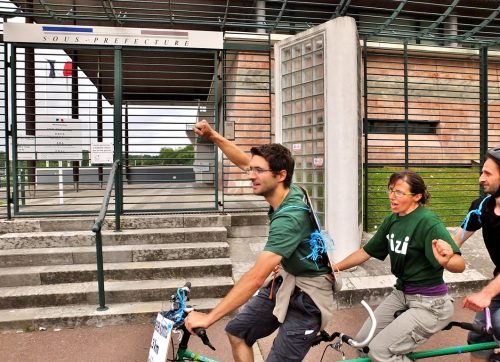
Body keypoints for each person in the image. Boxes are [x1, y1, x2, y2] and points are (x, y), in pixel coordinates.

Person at [184, 120, 335, 362]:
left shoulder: (290, 218)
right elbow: (243, 161)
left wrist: (208, 318)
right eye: (251, 170)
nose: (250, 176)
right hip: (285, 279)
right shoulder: (287, 187)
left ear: (280, 174)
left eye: (258, 171)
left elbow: (255, 277)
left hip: (309, 296)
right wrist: (213, 136)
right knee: (237, 333)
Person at [336, 170, 465, 362]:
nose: (391, 197)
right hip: (402, 293)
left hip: (430, 303)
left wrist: (447, 260)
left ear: (417, 196)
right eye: (390, 190)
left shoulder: (428, 223)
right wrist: (335, 267)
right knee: (362, 343)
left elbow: (460, 264)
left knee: (380, 351)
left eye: (398, 192)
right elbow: (366, 252)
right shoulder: (393, 220)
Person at [450, 147, 500, 362]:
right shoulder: (481, 207)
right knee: (481, 331)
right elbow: (455, 241)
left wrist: (486, 293)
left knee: (498, 323)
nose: (481, 178)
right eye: (482, 172)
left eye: (488, 173)